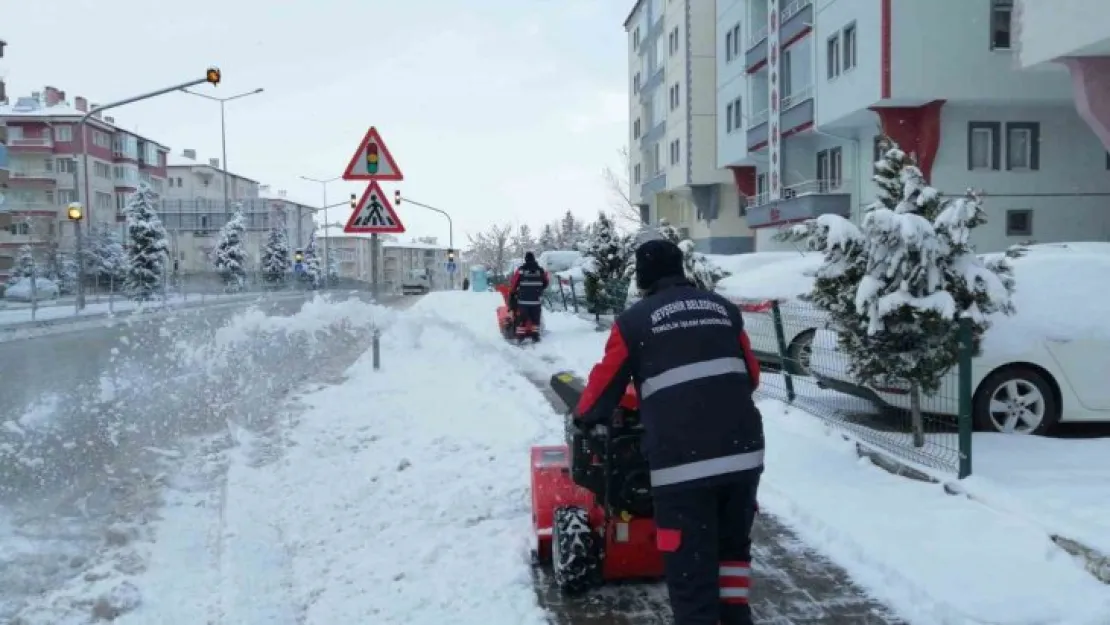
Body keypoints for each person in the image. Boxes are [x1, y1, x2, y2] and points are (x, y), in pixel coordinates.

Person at [574, 239, 764, 625]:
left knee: (691, 578)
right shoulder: (723, 309)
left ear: (642, 278)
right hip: (743, 456)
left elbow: (601, 394)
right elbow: (752, 376)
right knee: (730, 561)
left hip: (683, 466)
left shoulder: (634, 322)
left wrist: (584, 417)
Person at [509, 252, 549, 341]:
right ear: (534, 259)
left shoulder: (521, 270)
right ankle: (535, 336)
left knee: (522, 320)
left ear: (525, 259)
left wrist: (514, 292)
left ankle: (520, 337)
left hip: (523, 301)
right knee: (535, 320)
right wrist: (538, 290)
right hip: (536, 301)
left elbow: (513, 283)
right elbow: (546, 283)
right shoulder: (540, 270)